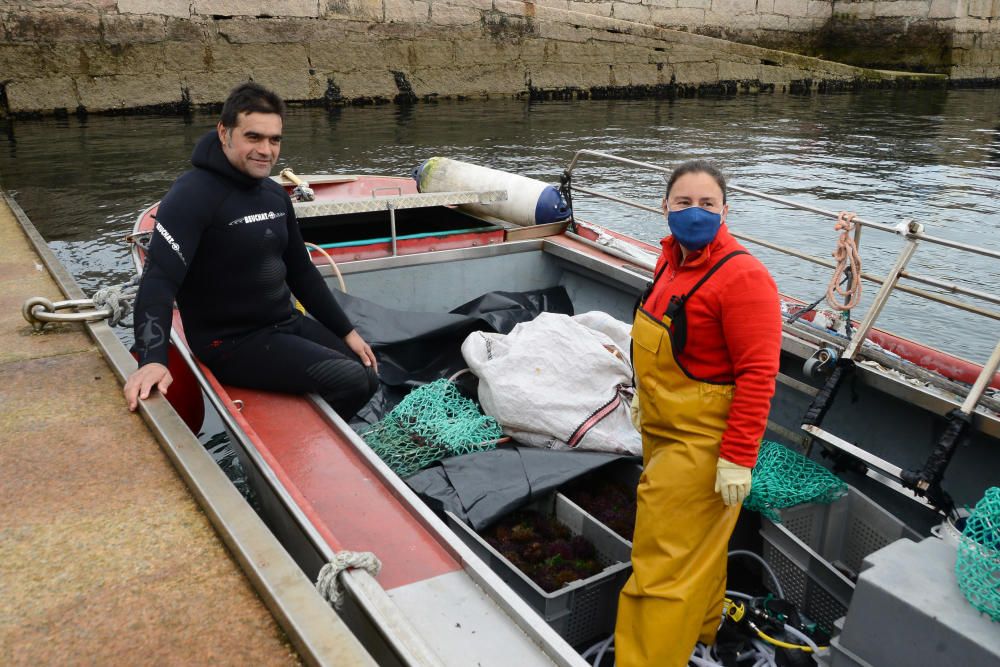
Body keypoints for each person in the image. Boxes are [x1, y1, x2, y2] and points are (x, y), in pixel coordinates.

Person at [124, 82, 378, 418]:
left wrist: (347, 332)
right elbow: (158, 281)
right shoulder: (191, 196)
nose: (266, 150)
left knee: (368, 370)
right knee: (351, 381)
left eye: (275, 139)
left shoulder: (273, 195)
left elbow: (301, 272)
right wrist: (152, 360)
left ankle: (325, 423)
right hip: (229, 343)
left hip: (283, 323)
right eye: (253, 137)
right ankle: (301, 442)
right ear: (224, 133)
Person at [616, 160, 782, 666]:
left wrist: (736, 457)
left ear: (725, 210)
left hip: (702, 445)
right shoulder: (671, 260)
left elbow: (758, 375)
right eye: (683, 202)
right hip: (664, 430)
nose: (694, 213)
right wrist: (645, 396)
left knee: (661, 567)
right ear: (664, 207)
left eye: (707, 204)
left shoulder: (744, 277)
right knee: (700, 551)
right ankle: (703, 637)